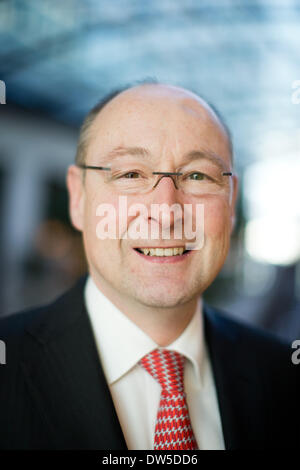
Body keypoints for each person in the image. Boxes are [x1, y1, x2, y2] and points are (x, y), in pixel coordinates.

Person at [0, 82, 299, 450]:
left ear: (231, 202)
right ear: (79, 198)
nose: (165, 212)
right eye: (131, 175)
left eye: (197, 176)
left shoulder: (284, 378)